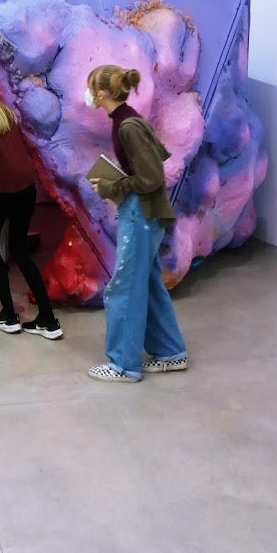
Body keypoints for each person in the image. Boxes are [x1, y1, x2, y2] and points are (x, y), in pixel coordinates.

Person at [85, 64, 188, 382]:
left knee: (124, 287)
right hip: (147, 213)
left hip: (141, 215)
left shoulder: (127, 126)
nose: (88, 94)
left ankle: (124, 365)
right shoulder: (128, 119)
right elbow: (154, 159)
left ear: (102, 94)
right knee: (148, 283)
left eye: (91, 88)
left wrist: (112, 187)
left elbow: (151, 176)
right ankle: (171, 351)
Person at [0, 69, 62, 339]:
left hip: (0, 191)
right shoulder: (4, 111)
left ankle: (8, 316)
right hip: (26, 187)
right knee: (20, 252)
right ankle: (48, 320)